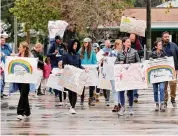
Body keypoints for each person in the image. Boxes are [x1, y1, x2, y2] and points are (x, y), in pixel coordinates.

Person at [117, 37, 140, 116]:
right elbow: (115, 62)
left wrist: (133, 65)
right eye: (127, 42)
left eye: (130, 42)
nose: (129, 43)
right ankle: (122, 107)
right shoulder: (120, 52)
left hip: (131, 74)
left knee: (130, 91)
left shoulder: (134, 52)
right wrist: (119, 62)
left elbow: (139, 62)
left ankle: (130, 107)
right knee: (121, 91)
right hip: (122, 75)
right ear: (123, 43)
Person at [62, 39, 87, 114]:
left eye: (76, 44)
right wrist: (68, 67)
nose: (75, 46)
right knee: (70, 91)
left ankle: (73, 107)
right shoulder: (66, 54)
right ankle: (71, 105)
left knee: (75, 91)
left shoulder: (77, 55)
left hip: (76, 75)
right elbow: (64, 64)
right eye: (74, 44)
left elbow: (79, 65)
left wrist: (84, 68)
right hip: (69, 75)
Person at [14, 42, 32, 120]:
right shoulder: (17, 56)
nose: (19, 48)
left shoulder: (30, 56)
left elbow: (34, 63)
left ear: (24, 48)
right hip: (19, 78)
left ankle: (20, 112)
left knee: (23, 94)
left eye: (20, 47)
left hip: (26, 78)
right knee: (23, 94)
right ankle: (27, 111)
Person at [162, 31, 178, 108]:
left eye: (168, 36)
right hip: (162, 70)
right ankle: (165, 101)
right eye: (165, 37)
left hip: (173, 69)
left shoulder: (174, 45)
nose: (167, 38)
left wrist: (177, 69)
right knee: (164, 86)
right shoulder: (159, 45)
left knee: (173, 85)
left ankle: (173, 99)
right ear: (162, 37)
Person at [79, 38, 97, 106]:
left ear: (89, 43)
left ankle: (90, 99)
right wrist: (81, 67)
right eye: (84, 42)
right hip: (82, 69)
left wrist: (92, 67)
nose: (85, 44)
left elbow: (94, 61)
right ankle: (82, 98)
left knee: (91, 85)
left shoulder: (92, 51)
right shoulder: (80, 50)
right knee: (82, 84)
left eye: (86, 42)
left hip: (90, 69)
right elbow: (79, 59)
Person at [149, 41, 166, 112]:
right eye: (159, 45)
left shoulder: (164, 53)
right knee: (155, 91)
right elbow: (149, 64)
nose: (161, 46)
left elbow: (167, 63)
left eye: (161, 44)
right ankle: (156, 104)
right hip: (154, 76)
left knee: (162, 89)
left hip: (161, 75)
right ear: (156, 46)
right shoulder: (152, 54)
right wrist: (150, 60)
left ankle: (162, 103)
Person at [110, 39, 125, 112]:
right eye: (120, 44)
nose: (121, 45)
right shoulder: (111, 53)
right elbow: (109, 62)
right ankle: (116, 104)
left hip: (120, 73)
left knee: (119, 89)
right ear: (116, 45)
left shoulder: (123, 52)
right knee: (114, 89)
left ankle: (119, 103)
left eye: (121, 44)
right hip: (112, 72)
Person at [129, 33, 143, 103]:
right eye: (131, 39)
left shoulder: (138, 44)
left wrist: (135, 52)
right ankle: (129, 94)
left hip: (136, 64)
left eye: (133, 39)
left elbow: (142, 51)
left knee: (135, 80)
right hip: (128, 64)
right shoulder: (127, 43)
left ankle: (135, 95)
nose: (132, 40)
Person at [102, 40, 112, 106]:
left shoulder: (112, 51)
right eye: (107, 43)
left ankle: (107, 100)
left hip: (109, 70)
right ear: (105, 44)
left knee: (108, 86)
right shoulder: (102, 50)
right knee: (104, 86)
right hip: (103, 69)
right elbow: (99, 58)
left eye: (109, 43)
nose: (109, 44)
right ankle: (106, 98)